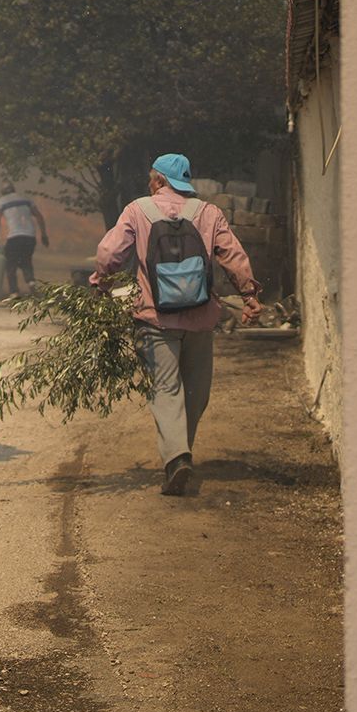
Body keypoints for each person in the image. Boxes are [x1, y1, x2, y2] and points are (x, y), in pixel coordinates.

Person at [91, 153, 263, 496]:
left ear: (158, 181)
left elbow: (110, 254)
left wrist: (102, 282)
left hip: (155, 319)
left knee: (165, 389)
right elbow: (233, 255)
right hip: (200, 318)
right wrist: (249, 296)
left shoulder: (137, 210)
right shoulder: (209, 213)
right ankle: (180, 451)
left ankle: (177, 457)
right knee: (196, 392)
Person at [0, 183, 49, 295]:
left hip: (15, 237)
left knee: (11, 263)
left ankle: (14, 292)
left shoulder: (1, 201)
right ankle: (31, 282)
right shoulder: (26, 199)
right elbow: (39, 216)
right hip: (30, 237)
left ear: (2, 192)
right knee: (26, 260)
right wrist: (44, 235)